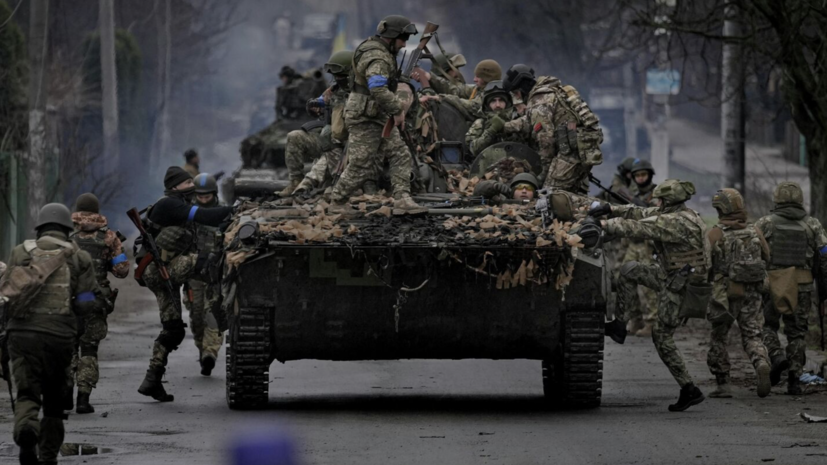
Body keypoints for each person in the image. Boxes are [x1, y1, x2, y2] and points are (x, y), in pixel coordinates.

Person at [591, 179, 709, 411]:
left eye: (660, 199)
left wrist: (603, 224)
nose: (657, 202)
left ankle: (689, 389)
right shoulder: (678, 213)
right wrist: (611, 207)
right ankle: (620, 324)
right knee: (629, 269)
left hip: (680, 286)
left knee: (661, 336)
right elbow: (640, 211)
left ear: (668, 201)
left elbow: (638, 227)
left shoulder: (675, 222)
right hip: (670, 275)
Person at [5, 203, 105, 464]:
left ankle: (27, 430)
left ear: (39, 229)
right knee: (54, 401)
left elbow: (8, 292)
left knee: (27, 392)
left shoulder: (20, 252)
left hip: (22, 335)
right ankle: (48, 456)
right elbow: (85, 303)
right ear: (66, 229)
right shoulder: (79, 257)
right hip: (59, 337)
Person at [137, 167, 234, 402]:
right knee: (207, 261)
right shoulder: (170, 204)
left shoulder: (175, 202)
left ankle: (152, 379)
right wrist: (236, 210)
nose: (192, 185)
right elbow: (206, 216)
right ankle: (223, 308)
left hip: (162, 274)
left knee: (173, 331)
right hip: (161, 271)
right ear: (174, 186)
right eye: (187, 182)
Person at [328, 15, 420, 212]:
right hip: (365, 117)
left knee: (400, 154)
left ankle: (402, 198)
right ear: (392, 36)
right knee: (362, 164)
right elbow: (377, 88)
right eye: (403, 38)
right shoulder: (377, 57)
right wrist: (397, 109)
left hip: (376, 114)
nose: (404, 44)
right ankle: (337, 200)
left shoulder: (377, 50)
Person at [755, 181, 827, 395]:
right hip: (802, 285)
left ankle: (777, 357)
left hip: (774, 284)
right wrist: (823, 289)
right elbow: (824, 256)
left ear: (776, 199)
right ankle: (795, 380)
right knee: (797, 333)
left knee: (767, 326)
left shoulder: (765, 223)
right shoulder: (812, 224)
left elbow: (752, 250)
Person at [705, 188, 772, 398]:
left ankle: (723, 383)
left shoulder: (716, 233)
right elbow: (767, 257)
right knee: (753, 333)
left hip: (725, 293)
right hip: (753, 290)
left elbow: (705, 264)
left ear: (720, 209)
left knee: (719, 336)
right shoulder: (755, 231)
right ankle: (761, 362)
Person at [66, 193, 129, 414]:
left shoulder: (67, 238)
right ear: (97, 211)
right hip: (96, 299)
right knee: (89, 348)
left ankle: (65, 395)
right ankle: (83, 399)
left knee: (69, 347)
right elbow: (122, 271)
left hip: (70, 299)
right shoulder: (109, 238)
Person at [504, 64, 603, 194]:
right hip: (583, 149)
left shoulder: (539, 100)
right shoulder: (552, 90)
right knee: (568, 195)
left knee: (549, 195)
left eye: (516, 92)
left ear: (523, 87)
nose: (518, 97)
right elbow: (529, 121)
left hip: (570, 154)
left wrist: (541, 176)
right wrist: (505, 126)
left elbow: (546, 142)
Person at [282, 50, 353, 195]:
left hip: (351, 143)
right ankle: (295, 181)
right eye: (336, 75)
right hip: (328, 138)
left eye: (341, 75)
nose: (338, 78)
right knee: (294, 136)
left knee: (329, 144)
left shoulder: (362, 92)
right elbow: (319, 101)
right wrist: (315, 107)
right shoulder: (333, 90)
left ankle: (312, 184)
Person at [186, 174, 225, 376]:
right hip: (194, 273)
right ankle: (203, 349)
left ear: (214, 194)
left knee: (213, 314)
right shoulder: (189, 213)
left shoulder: (223, 212)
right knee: (196, 315)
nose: (203, 199)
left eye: (207, 195)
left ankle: (210, 352)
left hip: (215, 274)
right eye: (199, 195)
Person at [623, 159, 659, 337]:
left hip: (647, 245)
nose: (640, 178)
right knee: (625, 281)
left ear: (650, 175)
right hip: (633, 243)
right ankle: (635, 319)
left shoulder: (657, 194)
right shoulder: (633, 194)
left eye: (643, 175)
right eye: (637, 175)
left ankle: (652, 322)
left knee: (648, 285)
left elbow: (660, 216)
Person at [412, 59, 502, 119]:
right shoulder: (479, 89)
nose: (474, 79)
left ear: (487, 78)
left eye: (479, 77)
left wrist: (439, 98)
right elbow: (456, 90)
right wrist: (431, 77)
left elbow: (472, 106)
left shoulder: (495, 95)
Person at [465, 80, 533, 156]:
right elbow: (473, 149)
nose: (497, 105)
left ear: (507, 103)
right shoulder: (480, 123)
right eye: (493, 101)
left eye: (501, 100)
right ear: (487, 105)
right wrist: (491, 130)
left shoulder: (518, 120)